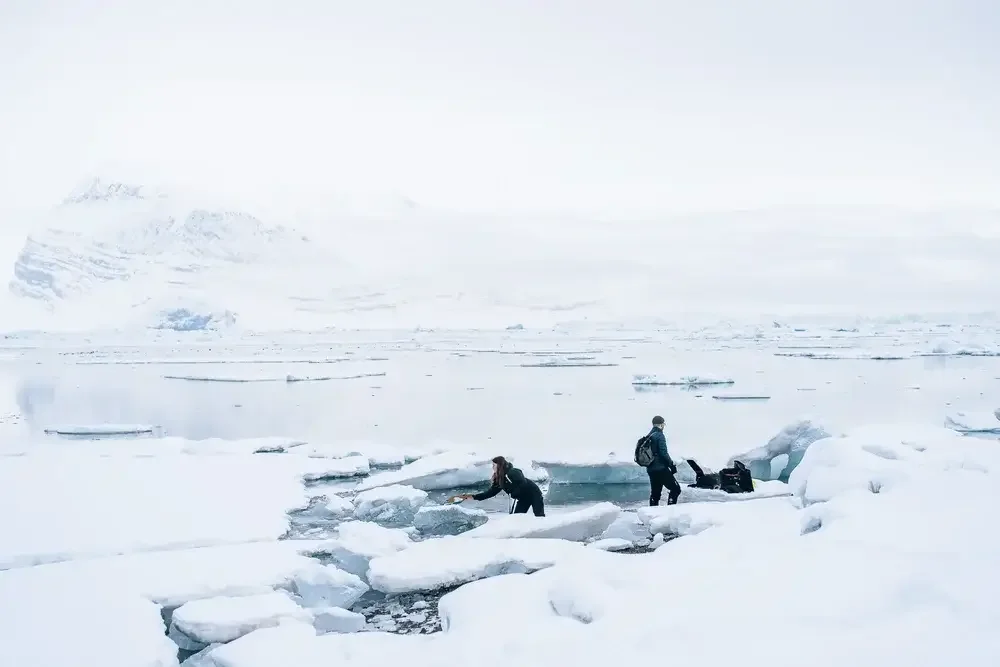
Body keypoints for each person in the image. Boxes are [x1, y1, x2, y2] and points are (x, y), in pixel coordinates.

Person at [456, 456, 545, 516]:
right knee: (517, 519)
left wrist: (515, 492)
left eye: (494, 465)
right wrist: (472, 497)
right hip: (523, 499)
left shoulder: (512, 472)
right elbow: (489, 493)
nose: (492, 467)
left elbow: (522, 482)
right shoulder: (500, 480)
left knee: (539, 516)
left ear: (500, 465)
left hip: (534, 494)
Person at [646, 415, 681, 506]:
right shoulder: (659, 435)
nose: (663, 426)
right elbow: (663, 453)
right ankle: (670, 511)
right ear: (660, 425)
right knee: (676, 489)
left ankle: (652, 514)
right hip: (660, 468)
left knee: (655, 493)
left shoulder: (649, 435)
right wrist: (671, 465)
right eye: (663, 424)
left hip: (651, 468)